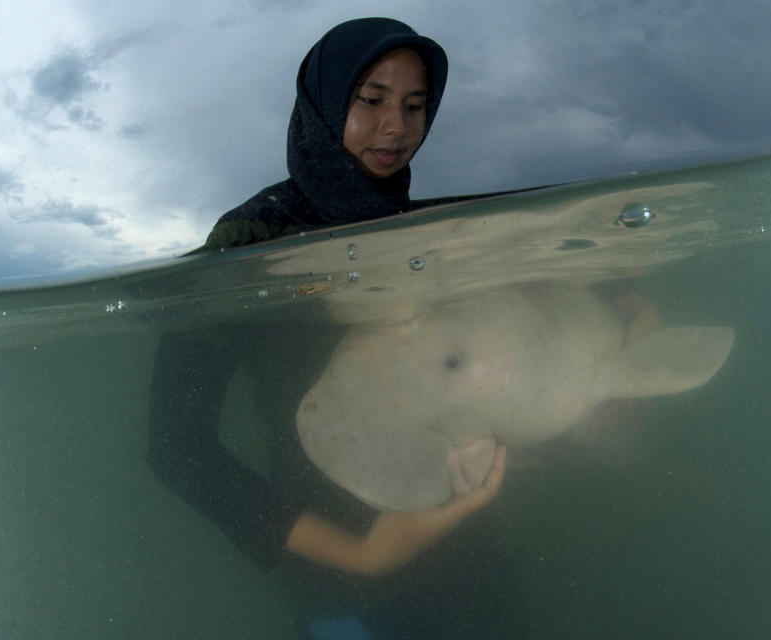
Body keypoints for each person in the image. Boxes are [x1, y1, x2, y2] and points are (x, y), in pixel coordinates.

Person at [147, 17, 524, 639]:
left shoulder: (424, 230)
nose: (396, 127)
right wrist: (364, 555)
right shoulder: (251, 239)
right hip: (348, 581)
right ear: (323, 103)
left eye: (415, 105)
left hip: (464, 557)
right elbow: (178, 449)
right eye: (371, 100)